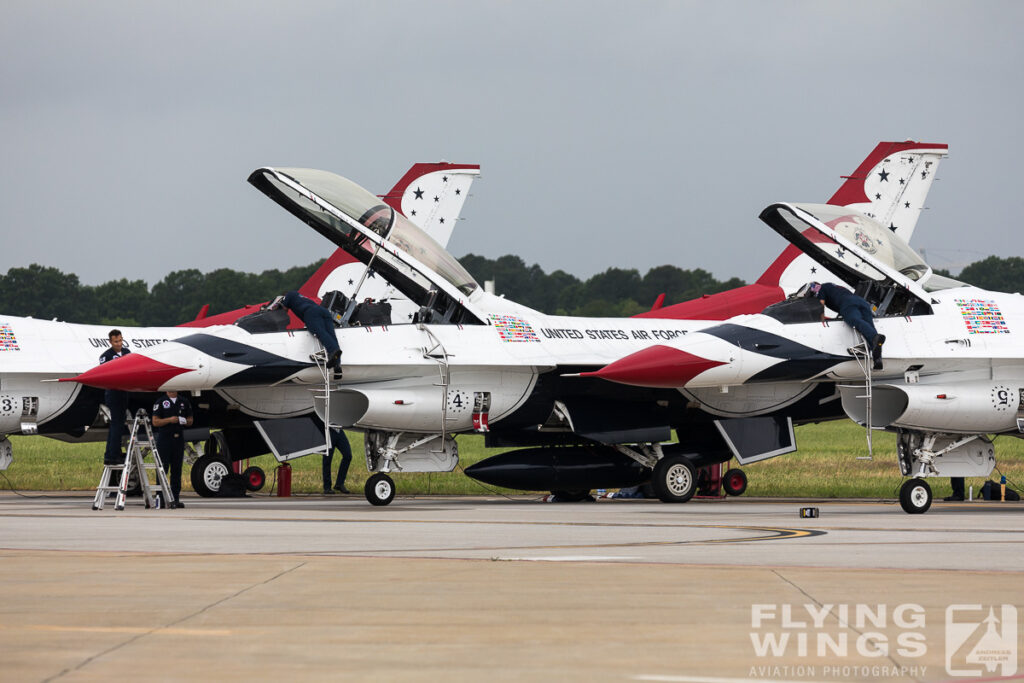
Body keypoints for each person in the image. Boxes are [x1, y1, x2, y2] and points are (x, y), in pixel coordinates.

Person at [809, 282, 885, 369]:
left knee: (855, 320)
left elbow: (820, 305)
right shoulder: (834, 286)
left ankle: (875, 338)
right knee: (870, 326)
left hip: (847, 303)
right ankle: (877, 360)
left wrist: (821, 320)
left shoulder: (821, 288)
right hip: (861, 301)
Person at [151, 390, 194, 508]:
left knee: (177, 469)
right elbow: (155, 421)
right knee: (162, 468)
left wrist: (183, 420)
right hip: (165, 439)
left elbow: (190, 420)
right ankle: (160, 497)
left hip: (178, 439)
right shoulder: (161, 402)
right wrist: (169, 420)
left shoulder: (184, 401)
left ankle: (175, 498)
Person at [280, 291, 341, 370]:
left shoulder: (289, 294)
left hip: (310, 312)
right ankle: (337, 365)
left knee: (320, 332)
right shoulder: (300, 297)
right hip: (323, 311)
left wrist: (278, 305)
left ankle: (332, 352)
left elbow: (284, 310)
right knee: (331, 335)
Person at [99, 329, 132, 465]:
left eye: (120, 340)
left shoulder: (127, 353)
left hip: (124, 392)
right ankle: (113, 455)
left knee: (118, 424)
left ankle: (112, 453)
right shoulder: (106, 356)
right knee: (116, 424)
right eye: (116, 341)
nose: (119, 343)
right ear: (110, 342)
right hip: (113, 393)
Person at [322, 428, 353, 494]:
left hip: (339, 430)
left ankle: (339, 483)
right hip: (328, 430)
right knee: (327, 460)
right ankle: (327, 487)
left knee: (348, 456)